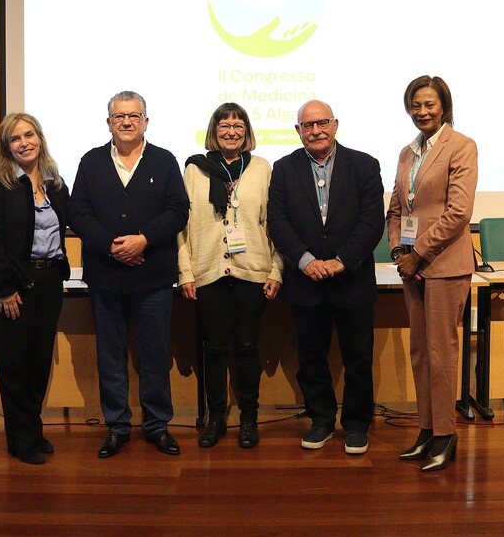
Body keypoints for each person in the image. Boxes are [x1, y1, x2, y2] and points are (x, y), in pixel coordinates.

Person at [68, 91, 189, 458]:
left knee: (155, 355)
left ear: (145, 122)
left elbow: (178, 210)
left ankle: (157, 426)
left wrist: (144, 240)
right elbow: (78, 212)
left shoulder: (164, 161)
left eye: (134, 116)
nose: (126, 122)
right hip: (105, 277)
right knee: (110, 355)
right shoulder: (91, 162)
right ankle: (117, 426)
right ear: (109, 122)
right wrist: (111, 246)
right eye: (119, 116)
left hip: (152, 278)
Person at [266, 100, 384, 455]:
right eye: (308, 125)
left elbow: (371, 222)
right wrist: (305, 261)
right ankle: (321, 420)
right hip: (307, 282)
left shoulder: (364, 165)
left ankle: (356, 425)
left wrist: (340, 261)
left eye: (322, 123)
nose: (315, 131)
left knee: (358, 360)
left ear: (335, 125)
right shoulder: (283, 169)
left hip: (352, 280)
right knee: (311, 359)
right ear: (298, 130)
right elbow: (277, 222)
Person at [178, 103, 283, 449]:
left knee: (247, 345)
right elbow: (183, 227)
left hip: (252, 271)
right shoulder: (195, 169)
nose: (231, 131)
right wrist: (185, 271)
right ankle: (216, 419)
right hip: (208, 272)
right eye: (224, 125)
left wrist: (277, 269)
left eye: (238, 126)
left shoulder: (262, 168)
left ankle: (249, 419)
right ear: (214, 130)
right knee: (213, 347)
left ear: (247, 132)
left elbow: (273, 223)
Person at [387, 75, 478, 472]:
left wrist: (419, 254)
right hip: (413, 268)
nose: (422, 112)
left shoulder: (461, 146)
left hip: (444, 266)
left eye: (429, 104)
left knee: (441, 353)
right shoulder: (408, 152)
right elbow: (396, 209)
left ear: (444, 107)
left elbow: (459, 212)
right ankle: (426, 429)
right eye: (416, 105)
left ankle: (446, 434)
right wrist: (398, 249)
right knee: (421, 352)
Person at [0, 113, 71, 465]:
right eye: (15, 139)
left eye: (29, 135)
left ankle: (32, 429)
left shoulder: (55, 183)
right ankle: (20, 439)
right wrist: (4, 289)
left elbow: (72, 223)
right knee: (15, 366)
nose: (24, 143)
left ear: (40, 139)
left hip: (49, 283)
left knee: (38, 363)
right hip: (13, 286)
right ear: (6, 147)